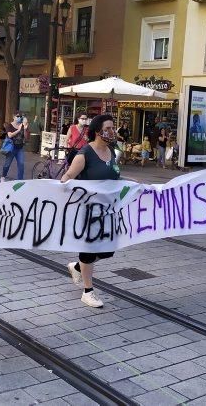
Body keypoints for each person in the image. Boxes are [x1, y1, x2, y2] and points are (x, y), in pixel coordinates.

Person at [61, 115, 121, 308]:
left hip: (109, 209)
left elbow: (113, 176)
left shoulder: (112, 151)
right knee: (89, 249)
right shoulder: (84, 153)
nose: (112, 131)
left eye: (113, 128)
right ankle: (88, 291)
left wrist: (132, 183)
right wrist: (64, 182)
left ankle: (77, 267)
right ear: (98, 131)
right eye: (109, 128)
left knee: (107, 250)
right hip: (88, 210)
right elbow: (70, 174)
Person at [1, 112, 27, 182]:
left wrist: (24, 129)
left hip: (20, 148)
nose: (19, 118)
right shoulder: (9, 125)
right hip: (11, 148)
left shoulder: (22, 125)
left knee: (21, 164)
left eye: (20, 116)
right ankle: (3, 176)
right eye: (17, 116)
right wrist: (18, 130)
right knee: (7, 164)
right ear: (13, 117)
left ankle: (20, 180)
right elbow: (10, 135)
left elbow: (26, 137)